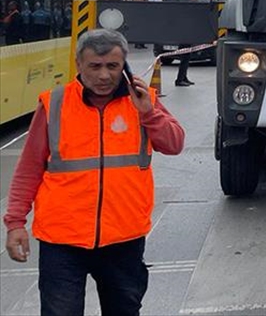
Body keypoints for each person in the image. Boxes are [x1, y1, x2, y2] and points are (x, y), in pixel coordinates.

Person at [4, 29, 185, 315]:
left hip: (123, 238)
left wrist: (148, 113)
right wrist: (15, 223)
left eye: (113, 66)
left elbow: (174, 144)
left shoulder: (142, 101)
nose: (104, 76)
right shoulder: (55, 104)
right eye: (95, 66)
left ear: (124, 65)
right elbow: (29, 168)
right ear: (79, 65)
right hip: (62, 240)